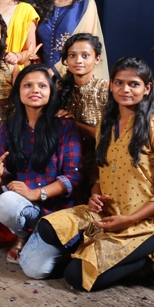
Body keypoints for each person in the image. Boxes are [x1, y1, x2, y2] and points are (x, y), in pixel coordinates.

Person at [21, 57, 154, 292]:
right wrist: (95, 194)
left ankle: (148, 260)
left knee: (75, 277)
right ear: (111, 85)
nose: (125, 89)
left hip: (139, 224)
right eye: (119, 82)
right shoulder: (107, 125)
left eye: (134, 84)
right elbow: (98, 172)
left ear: (147, 89)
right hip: (103, 215)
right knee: (48, 228)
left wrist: (130, 219)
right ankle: (93, 250)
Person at [0, 65, 81, 262]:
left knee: (36, 270)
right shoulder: (8, 128)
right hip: (27, 206)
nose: (35, 90)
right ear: (18, 92)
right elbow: (7, 176)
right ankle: (23, 234)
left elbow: (73, 177)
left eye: (42, 86)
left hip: (58, 208)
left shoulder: (64, 126)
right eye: (28, 85)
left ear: (51, 92)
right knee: (4, 203)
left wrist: (36, 193)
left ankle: (46, 240)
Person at [34, 0, 109, 81]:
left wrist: (54, 71)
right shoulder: (38, 6)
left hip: (73, 77)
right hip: (42, 79)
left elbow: (86, 44)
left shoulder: (85, 4)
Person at [56, 33, 108, 191]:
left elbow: (109, 136)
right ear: (66, 59)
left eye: (85, 56)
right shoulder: (60, 90)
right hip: (67, 160)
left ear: (97, 59)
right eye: (72, 55)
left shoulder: (106, 90)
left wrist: (73, 124)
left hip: (100, 161)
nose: (78, 60)